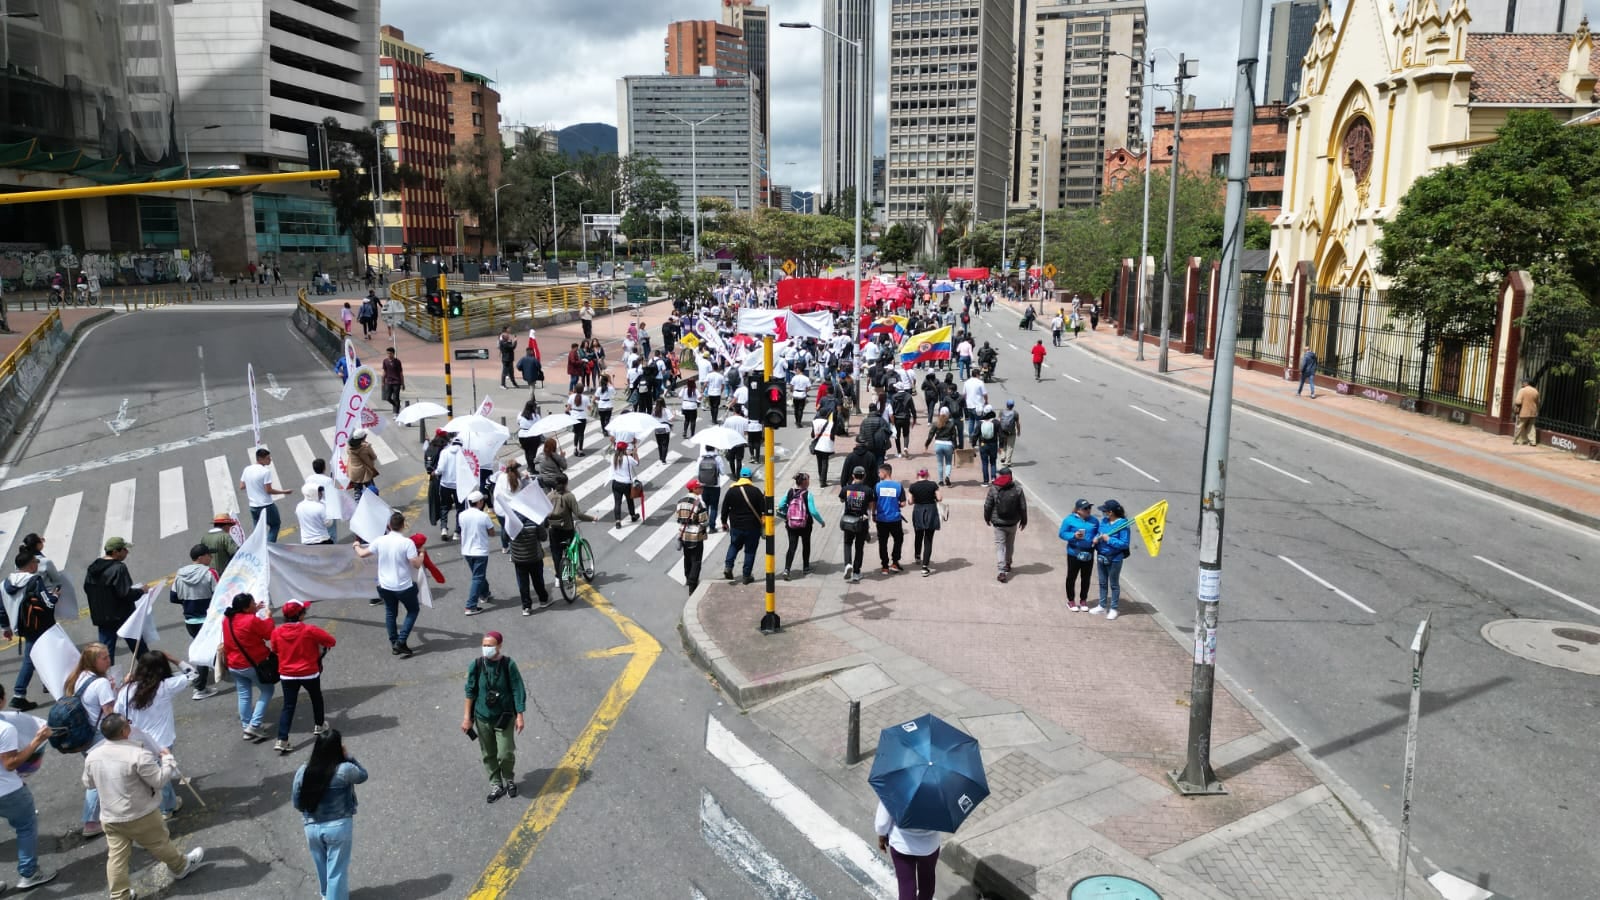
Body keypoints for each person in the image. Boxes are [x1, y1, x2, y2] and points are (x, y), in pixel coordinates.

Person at [82, 713, 206, 899]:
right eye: (128, 724)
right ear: (125, 731)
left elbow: (88, 783)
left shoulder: (93, 756)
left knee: (116, 858)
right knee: (159, 843)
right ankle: (180, 867)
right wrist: (168, 760)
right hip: (140, 813)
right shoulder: (139, 754)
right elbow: (159, 780)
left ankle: (119, 895)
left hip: (110, 816)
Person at [113, 651, 199, 818]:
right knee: (161, 776)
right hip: (161, 741)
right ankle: (166, 808)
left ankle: (165, 804)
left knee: (145, 775)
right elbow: (194, 675)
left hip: (135, 740)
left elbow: (117, 711)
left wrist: (124, 686)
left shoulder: (127, 689)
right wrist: (174, 658)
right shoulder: (165, 686)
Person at [292, 729, 367, 900]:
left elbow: (297, 802)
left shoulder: (303, 771)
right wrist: (349, 757)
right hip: (338, 827)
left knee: (322, 866)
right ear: (337, 748)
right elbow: (363, 775)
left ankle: (326, 896)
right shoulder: (345, 770)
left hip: (311, 827)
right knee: (337, 871)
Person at [462, 632, 526, 804]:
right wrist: (467, 718)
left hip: (504, 717)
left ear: (499, 646)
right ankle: (496, 784)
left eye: (490, 645)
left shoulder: (508, 665)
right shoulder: (475, 665)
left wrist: (520, 715)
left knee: (505, 752)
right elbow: (470, 692)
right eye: (484, 645)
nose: (486, 648)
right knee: (488, 753)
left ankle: (509, 778)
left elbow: (517, 689)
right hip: (482, 717)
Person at [0, 684, 53, 892]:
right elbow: (10, 763)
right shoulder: (5, 729)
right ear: (2, 700)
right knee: (26, 826)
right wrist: (36, 741)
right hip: (8, 790)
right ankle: (28, 873)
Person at [355, 512, 424, 657]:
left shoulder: (380, 540)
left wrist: (356, 545)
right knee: (413, 610)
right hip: (403, 586)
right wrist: (422, 554)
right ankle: (401, 641)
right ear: (403, 526)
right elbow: (416, 564)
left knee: (390, 612)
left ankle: (394, 642)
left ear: (388, 526)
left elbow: (362, 554)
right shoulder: (407, 543)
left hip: (385, 585)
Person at [273, 600, 336, 753]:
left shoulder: (277, 632)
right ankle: (319, 725)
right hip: (309, 672)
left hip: (287, 675)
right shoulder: (309, 630)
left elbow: (275, 649)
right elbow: (331, 641)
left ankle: (282, 739)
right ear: (300, 615)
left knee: (288, 706)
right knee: (316, 698)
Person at [222, 593, 277, 741]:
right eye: (252, 603)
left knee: (244, 694)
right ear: (246, 608)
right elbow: (269, 633)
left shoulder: (227, 619)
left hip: (234, 664)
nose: (255, 604)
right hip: (252, 664)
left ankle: (246, 726)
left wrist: (254, 610)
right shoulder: (251, 620)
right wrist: (269, 617)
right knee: (267, 690)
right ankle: (255, 725)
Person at [84, 537, 147, 664]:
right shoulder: (119, 568)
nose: (127, 552)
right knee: (138, 647)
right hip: (122, 615)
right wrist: (141, 591)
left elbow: (87, 588)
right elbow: (126, 593)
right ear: (115, 552)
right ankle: (152, 671)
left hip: (102, 617)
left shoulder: (93, 567)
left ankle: (107, 679)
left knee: (105, 653)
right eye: (124, 549)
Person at [171, 544, 222, 699]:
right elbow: (219, 594)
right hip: (208, 620)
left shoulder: (180, 575)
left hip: (190, 620)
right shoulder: (210, 573)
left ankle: (211, 670)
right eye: (208, 555)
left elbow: (174, 597)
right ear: (200, 558)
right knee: (205, 652)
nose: (211, 558)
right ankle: (199, 687)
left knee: (202, 647)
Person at [876, 799, 942, 900]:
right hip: (930, 845)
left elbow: (882, 822)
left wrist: (882, 835)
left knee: (906, 885)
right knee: (927, 881)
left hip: (902, 844)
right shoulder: (941, 788)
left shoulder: (895, 784)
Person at [544, 474, 597, 596]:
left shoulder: (550, 496)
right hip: (567, 529)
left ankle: (558, 577)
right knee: (571, 549)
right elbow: (578, 514)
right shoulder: (569, 496)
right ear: (566, 483)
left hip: (553, 530)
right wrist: (592, 518)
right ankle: (573, 568)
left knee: (556, 553)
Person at [720, 466, 764, 585]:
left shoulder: (731, 490)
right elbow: (763, 509)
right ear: (750, 477)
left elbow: (724, 508)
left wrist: (724, 522)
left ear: (740, 477)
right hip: (752, 527)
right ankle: (746, 576)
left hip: (736, 526)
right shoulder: (755, 491)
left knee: (734, 545)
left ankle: (728, 566)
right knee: (750, 551)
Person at [983, 467, 1028, 583]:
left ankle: (1001, 571)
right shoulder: (1018, 489)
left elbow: (988, 505)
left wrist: (987, 518)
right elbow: (1023, 507)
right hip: (1013, 522)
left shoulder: (994, 488)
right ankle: (1008, 563)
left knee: (1000, 546)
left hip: (998, 523)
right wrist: (1024, 520)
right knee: (1010, 544)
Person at [239, 447, 291, 542]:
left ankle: (257, 546)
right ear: (261, 459)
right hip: (266, 505)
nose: (270, 460)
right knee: (275, 525)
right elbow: (268, 490)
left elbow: (242, 486)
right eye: (268, 458)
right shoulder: (265, 472)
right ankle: (269, 547)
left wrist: (252, 483)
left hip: (253, 506)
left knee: (258, 530)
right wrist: (284, 492)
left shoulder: (247, 469)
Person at [781, 473, 826, 580]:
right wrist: (821, 521)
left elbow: (781, 504)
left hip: (791, 524)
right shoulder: (808, 494)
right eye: (808, 480)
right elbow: (813, 511)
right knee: (806, 545)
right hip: (805, 525)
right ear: (805, 482)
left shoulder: (789, 492)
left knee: (792, 546)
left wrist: (788, 514)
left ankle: (787, 569)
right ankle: (806, 567)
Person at [1058, 499, 1101, 612]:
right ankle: (1071, 600)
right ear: (1078, 510)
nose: (1088, 510)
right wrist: (1073, 535)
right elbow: (1062, 533)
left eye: (1089, 508)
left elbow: (1098, 532)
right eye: (1085, 508)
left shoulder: (1094, 521)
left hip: (1089, 553)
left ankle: (1083, 600)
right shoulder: (1069, 520)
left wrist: (1097, 537)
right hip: (1074, 553)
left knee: (1086, 578)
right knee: (1072, 577)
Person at [1091, 500, 1131, 620]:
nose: (1103, 513)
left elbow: (1124, 543)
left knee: (1114, 584)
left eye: (1105, 511)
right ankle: (1102, 605)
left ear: (1111, 512)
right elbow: (1099, 533)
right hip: (1101, 556)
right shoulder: (1104, 521)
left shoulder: (1123, 525)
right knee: (1102, 582)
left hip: (1114, 559)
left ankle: (1114, 608)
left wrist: (1109, 540)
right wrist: (1096, 538)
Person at [458, 491, 495, 615]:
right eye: (482, 501)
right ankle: (471, 606)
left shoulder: (462, 515)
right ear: (479, 502)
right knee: (477, 577)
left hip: (467, 551)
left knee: (478, 575)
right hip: (480, 551)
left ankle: (484, 593)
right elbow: (492, 533)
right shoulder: (483, 516)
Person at [839, 467, 873, 584]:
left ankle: (848, 564)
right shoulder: (868, 490)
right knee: (859, 547)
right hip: (861, 522)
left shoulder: (846, 488)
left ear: (853, 476)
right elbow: (871, 505)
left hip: (848, 521)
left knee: (847, 543)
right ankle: (857, 572)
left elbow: (841, 500)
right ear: (864, 476)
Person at [676, 478, 710, 593]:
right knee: (696, 561)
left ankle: (687, 577)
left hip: (684, 535)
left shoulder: (681, 501)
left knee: (687, 557)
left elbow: (678, 518)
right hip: (696, 536)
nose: (702, 489)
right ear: (694, 489)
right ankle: (692, 583)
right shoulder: (699, 503)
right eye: (700, 487)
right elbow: (704, 521)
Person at [907, 468, 942, 576]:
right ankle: (925, 567)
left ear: (917, 476)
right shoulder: (933, 485)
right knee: (928, 540)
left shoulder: (913, 486)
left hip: (918, 511)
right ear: (928, 475)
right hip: (930, 510)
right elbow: (940, 498)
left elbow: (910, 502)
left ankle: (917, 556)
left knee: (918, 534)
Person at [873, 464, 907, 575]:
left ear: (885, 473)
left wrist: (873, 514)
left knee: (882, 542)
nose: (878, 474)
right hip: (895, 519)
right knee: (898, 539)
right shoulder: (898, 486)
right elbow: (903, 503)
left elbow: (874, 502)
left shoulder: (877, 486)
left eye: (879, 473)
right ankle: (895, 562)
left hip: (881, 519)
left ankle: (884, 566)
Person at [435, 438, 464, 540]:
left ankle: (444, 528)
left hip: (445, 484)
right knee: (460, 508)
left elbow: (440, 468)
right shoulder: (464, 453)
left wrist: (436, 472)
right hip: (458, 485)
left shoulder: (445, 452)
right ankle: (457, 531)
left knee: (444, 507)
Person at [608, 441, 641, 528]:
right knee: (630, 501)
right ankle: (633, 516)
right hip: (626, 483)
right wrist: (635, 453)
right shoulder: (628, 459)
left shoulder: (613, 457)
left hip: (616, 483)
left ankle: (618, 521)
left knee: (617, 502)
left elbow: (618, 456)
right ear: (624, 449)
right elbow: (637, 463)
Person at [923, 410, 958, 487]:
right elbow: (954, 437)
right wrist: (955, 447)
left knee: (940, 464)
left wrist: (926, 444)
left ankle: (940, 481)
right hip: (948, 444)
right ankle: (947, 477)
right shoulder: (951, 424)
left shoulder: (936, 423)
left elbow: (930, 435)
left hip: (938, 444)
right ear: (948, 414)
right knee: (948, 463)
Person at [696, 447, 727, 532]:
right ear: (714, 448)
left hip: (704, 486)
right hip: (715, 486)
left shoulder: (700, 458)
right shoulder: (717, 458)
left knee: (705, 506)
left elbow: (696, 473)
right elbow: (723, 472)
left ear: (705, 448)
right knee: (714, 506)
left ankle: (704, 526)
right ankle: (712, 527)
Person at [346, 430, 380, 499]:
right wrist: (368, 446)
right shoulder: (365, 448)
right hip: (364, 473)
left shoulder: (349, 447)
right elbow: (374, 457)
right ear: (364, 437)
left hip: (353, 473)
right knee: (372, 490)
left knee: (358, 490)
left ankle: (359, 501)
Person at [975, 405, 1000, 485]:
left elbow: (975, 434)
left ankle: (985, 481)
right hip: (993, 444)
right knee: (993, 462)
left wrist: (973, 443)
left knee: (985, 463)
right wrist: (1002, 445)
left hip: (983, 445)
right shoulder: (996, 422)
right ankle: (993, 478)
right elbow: (1001, 434)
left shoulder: (980, 423)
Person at [1512, 378, 1540, 445]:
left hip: (1523, 411)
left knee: (1520, 426)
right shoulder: (1535, 391)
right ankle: (1533, 441)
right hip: (1533, 412)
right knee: (1531, 426)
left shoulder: (1522, 390)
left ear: (1526, 383)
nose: (1522, 383)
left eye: (1523, 382)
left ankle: (1516, 440)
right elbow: (1538, 402)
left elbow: (1518, 401)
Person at [811, 416, 836, 487]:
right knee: (825, 462)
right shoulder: (830, 423)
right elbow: (832, 436)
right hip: (826, 446)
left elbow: (812, 435)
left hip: (817, 446)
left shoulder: (815, 422)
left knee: (819, 462)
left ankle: (821, 478)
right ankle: (823, 481)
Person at [567, 385, 591, 457]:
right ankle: (580, 450)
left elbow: (569, 407)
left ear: (575, 389)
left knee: (576, 433)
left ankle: (575, 448)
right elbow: (589, 408)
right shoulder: (586, 398)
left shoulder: (571, 396)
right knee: (581, 433)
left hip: (574, 416)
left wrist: (567, 411)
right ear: (583, 390)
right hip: (582, 416)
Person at [997, 400, 1022, 468]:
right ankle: (1007, 462)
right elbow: (1017, 423)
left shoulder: (1001, 412)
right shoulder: (1015, 413)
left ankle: (1003, 456)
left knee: (1004, 444)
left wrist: (998, 431)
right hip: (1011, 432)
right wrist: (1019, 431)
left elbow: (999, 421)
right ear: (1013, 406)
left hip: (1002, 431)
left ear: (1006, 405)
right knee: (1010, 447)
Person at [381, 347, 404, 415]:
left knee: (396, 397)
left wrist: (402, 383)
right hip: (388, 381)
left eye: (390, 353)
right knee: (387, 397)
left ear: (393, 354)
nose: (389, 355)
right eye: (387, 353)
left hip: (396, 382)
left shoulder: (397, 362)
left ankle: (396, 412)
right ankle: (397, 406)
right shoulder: (385, 361)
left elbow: (401, 373)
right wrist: (382, 381)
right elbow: (384, 371)